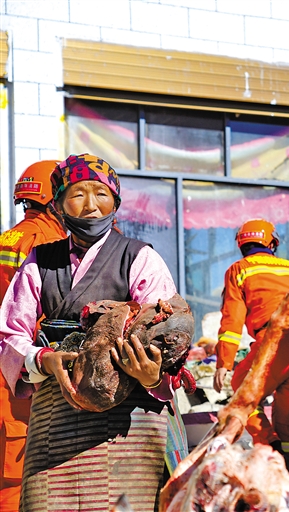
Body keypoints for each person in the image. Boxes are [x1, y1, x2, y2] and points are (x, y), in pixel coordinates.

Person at [0, 153, 186, 511]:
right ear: (58, 204)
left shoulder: (140, 257)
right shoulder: (39, 260)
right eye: (77, 194)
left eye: (101, 194)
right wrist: (42, 359)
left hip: (130, 421)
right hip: (56, 414)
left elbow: (167, 331)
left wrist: (152, 374)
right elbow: (10, 335)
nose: (90, 206)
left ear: (115, 202)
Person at [213, 219, 289, 471]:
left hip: (274, 340)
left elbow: (232, 319)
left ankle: (269, 446)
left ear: (242, 243)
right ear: (272, 243)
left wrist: (224, 362)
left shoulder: (239, 269)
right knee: (287, 424)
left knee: (241, 392)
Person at [0, 160, 66, 511]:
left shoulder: (7, 237)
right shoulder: (49, 242)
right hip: (21, 376)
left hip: (6, 368)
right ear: (54, 200)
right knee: (18, 477)